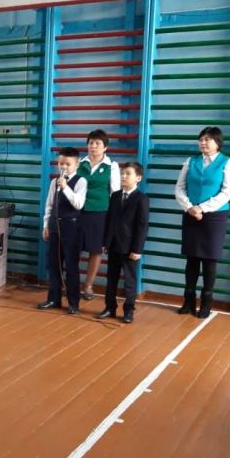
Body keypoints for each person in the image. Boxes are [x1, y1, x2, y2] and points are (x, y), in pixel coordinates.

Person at [175, 126, 230, 319]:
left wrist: (202, 208)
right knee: (191, 259)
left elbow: (227, 192)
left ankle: (206, 303)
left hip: (215, 216)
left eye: (207, 139)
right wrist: (189, 207)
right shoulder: (190, 161)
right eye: (201, 139)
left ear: (217, 143)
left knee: (210, 260)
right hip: (191, 214)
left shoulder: (227, 163)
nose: (203, 143)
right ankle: (188, 301)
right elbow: (179, 187)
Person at [97, 162, 149, 324]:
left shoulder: (141, 199)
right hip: (113, 245)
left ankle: (128, 311)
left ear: (138, 178)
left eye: (128, 174)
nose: (123, 176)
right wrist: (105, 242)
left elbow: (142, 226)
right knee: (111, 279)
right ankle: (109, 307)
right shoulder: (115, 196)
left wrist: (137, 249)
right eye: (122, 173)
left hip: (129, 248)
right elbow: (109, 220)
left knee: (129, 281)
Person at [37, 147, 87, 314]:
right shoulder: (54, 182)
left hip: (72, 228)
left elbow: (78, 204)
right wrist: (46, 225)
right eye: (61, 163)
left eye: (68, 164)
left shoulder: (81, 181)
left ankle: (73, 303)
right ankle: (53, 299)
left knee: (71, 266)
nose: (64, 167)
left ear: (76, 164)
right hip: (54, 227)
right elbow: (49, 205)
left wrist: (65, 187)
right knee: (54, 264)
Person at [77, 129, 121, 300]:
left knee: (95, 250)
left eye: (97, 143)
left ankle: (88, 285)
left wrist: (113, 218)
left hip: (100, 213)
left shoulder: (112, 166)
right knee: (74, 248)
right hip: (78, 210)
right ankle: (72, 282)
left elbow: (115, 193)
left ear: (105, 147)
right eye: (91, 143)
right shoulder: (79, 164)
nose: (93, 146)